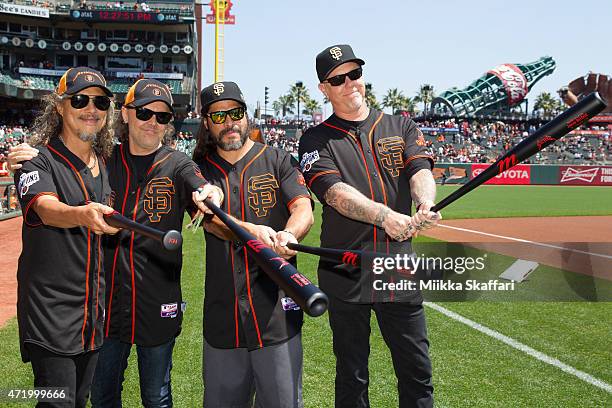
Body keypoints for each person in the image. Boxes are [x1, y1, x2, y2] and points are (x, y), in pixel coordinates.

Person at [9, 78, 223, 407]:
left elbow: (200, 186)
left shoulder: (175, 163)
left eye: (162, 117)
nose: (152, 122)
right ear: (124, 114)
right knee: (95, 395)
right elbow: (48, 196)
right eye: (144, 113)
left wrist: (211, 192)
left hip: (147, 303)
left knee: (154, 396)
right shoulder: (104, 158)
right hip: (97, 307)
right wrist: (31, 153)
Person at [298, 44, 441, 408]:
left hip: (397, 266)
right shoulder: (315, 139)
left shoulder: (400, 124)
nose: (350, 84)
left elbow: (419, 169)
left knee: (416, 370)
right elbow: (333, 192)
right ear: (324, 88)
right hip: (345, 267)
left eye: (355, 74)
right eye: (338, 79)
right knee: (352, 373)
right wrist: (385, 216)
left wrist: (425, 201)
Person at [192, 81, 313, 408]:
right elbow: (214, 223)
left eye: (236, 112)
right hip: (223, 319)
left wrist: (289, 234)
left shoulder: (278, 159)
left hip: (276, 316)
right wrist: (255, 236)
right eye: (218, 116)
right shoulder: (197, 172)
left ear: (246, 116)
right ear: (206, 123)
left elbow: (303, 207)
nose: (229, 121)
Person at [12, 66, 120, 408]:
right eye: (80, 100)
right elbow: (46, 208)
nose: (91, 109)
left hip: (92, 311)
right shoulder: (36, 160)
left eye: (100, 102)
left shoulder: (105, 162)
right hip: (50, 312)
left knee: (77, 399)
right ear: (59, 106)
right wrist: (82, 214)